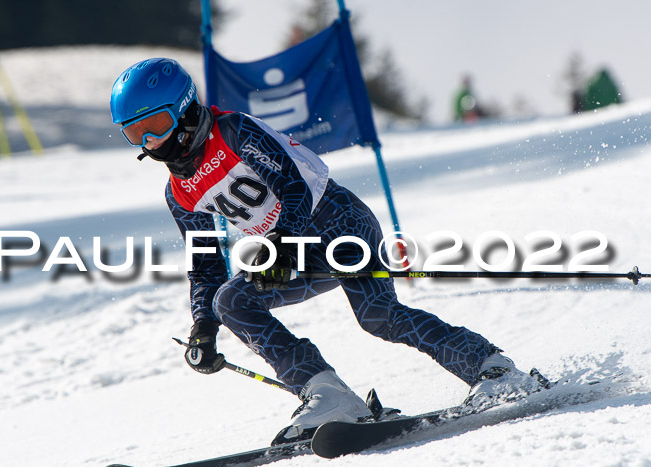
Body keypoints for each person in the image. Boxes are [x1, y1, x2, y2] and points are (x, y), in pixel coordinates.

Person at [110, 58, 545, 444]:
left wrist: (281, 244)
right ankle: (328, 394)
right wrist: (203, 327)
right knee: (230, 301)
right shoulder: (179, 192)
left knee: (379, 317)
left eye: (156, 127)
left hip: (337, 222)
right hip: (292, 250)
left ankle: (493, 369)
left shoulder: (234, 131)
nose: (148, 143)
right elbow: (205, 265)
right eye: (134, 134)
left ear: (185, 112)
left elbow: (294, 186)